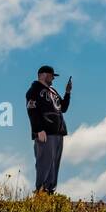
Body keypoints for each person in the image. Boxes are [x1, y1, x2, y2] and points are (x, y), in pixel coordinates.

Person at [26, 65, 72, 193]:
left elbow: (63, 108)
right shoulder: (34, 90)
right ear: (43, 75)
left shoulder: (53, 91)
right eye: (52, 75)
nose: (53, 78)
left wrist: (67, 93)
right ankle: (40, 192)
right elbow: (32, 110)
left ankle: (50, 192)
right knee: (44, 163)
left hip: (58, 133)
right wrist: (38, 129)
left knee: (54, 164)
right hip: (45, 133)